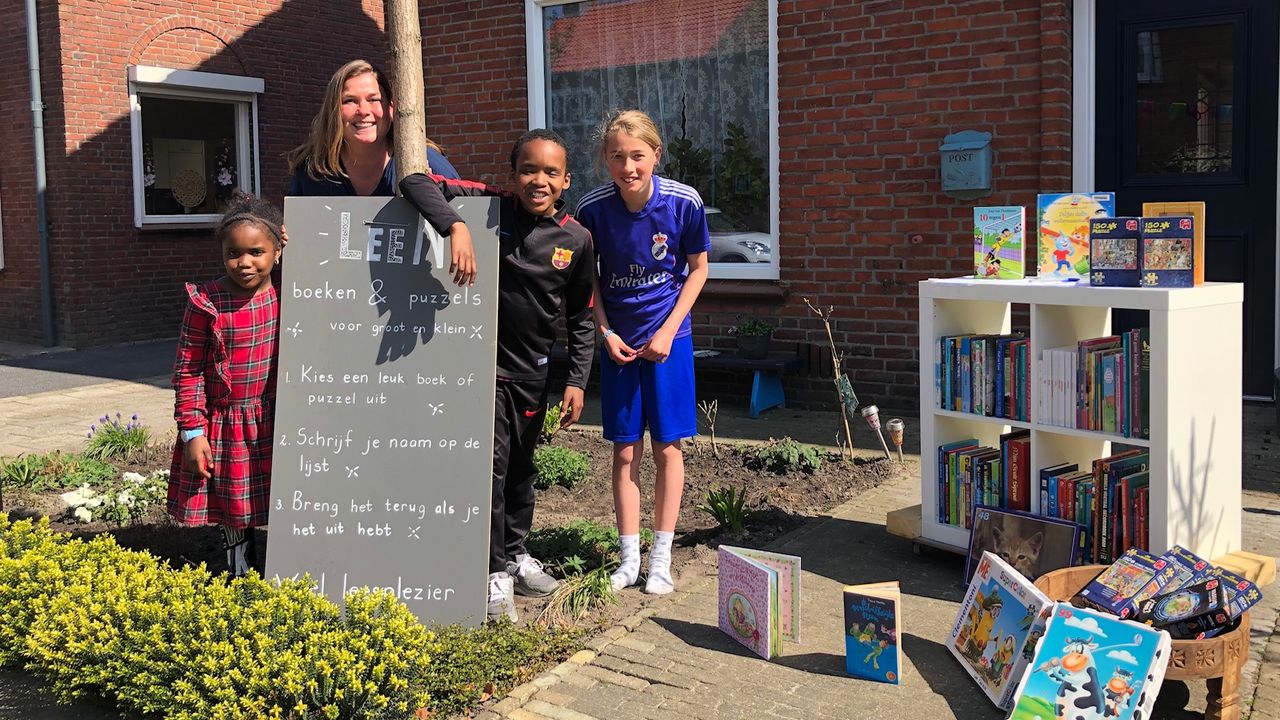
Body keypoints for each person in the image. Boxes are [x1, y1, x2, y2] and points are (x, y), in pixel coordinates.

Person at [400, 128, 595, 621]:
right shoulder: (486, 207)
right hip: (484, 374)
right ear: (512, 175)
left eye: (550, 172)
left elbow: (580, 317)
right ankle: (492, 575)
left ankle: (515, 554)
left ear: (566, 180)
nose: (538, 180)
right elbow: (415, 182)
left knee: (523, 470)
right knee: (491, 472)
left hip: (534, 375)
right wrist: (456, 227)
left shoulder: (577, 239)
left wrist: (576, 380)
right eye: (528, 170)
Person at [574, 110, 710, 595]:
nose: (628, 167)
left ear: (656, 154)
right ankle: (629, 559)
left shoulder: (684, 202)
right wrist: (606, 333)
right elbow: (588, 280)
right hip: (620, 347)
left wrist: (669, 331)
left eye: (637, 155)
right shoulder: (591, 211)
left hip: (669, 343)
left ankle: (661, 559)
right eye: (617, 156)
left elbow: (698, 269)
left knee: (668, 449)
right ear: (605, 159)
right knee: (625, 451)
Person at [168, 193, 284, 577]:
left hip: (275, 419)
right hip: (226, 425)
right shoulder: (206, 303)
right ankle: (241, 574)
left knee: (283, 497)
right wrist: (192, 432)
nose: (245, 262)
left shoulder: (292, 294)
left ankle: (290, 569)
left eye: (257, 252)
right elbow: (188, 371)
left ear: (277, 252)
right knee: (233, 505)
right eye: (233, 253)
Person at [286, 58, 475, 285]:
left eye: (373, 99)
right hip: (335, 295)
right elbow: (296, 240)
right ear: (333, 111)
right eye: (349, 101)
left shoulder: (426, 161)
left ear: (391, 108)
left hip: (415, 296)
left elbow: (469, 218)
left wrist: (459, 227)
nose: (363, 111)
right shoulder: (313, 170)